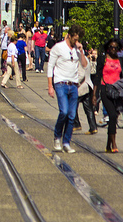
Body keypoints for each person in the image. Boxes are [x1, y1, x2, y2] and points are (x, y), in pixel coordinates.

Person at [47, 24, 87, 153]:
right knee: (63, 112)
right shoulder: (58, 48)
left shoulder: (77, 49)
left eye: (78, 39)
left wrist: (81, 51)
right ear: (69, 35)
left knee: (71, 115)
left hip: (74, 85)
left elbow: (85, 65)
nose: (76, 41)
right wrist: (50, 86)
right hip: (60, 83)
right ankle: (57, 136)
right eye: (75, 39)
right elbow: (50, 67)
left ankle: (66, 142)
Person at [94, 37, 123, 153]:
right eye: (111, 47)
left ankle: (108, 145)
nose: (113, 49)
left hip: (117, 90)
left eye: (115, 47)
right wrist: (94, 94)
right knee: (112, 115)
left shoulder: (120, 60)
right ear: (107, 48)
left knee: (114, 117)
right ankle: (114, 143)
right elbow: (97, 76)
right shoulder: (103, 59)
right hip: (105, 89)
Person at [73, 48, 97, 134]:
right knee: (88, 108)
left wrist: (74, 84)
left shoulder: (80, 59)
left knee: (72, 105)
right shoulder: (85, 58)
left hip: (81, 87)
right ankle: (93, 127)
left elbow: (81, 74)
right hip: (87, 85)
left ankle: (76, 124)